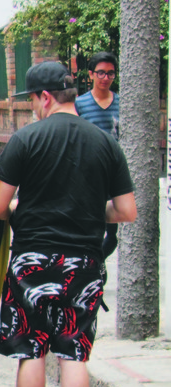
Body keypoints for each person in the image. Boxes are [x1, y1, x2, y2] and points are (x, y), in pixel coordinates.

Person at [0, 61, 136, 387]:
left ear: (45, 97)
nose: (33, 107)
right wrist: (90, 213)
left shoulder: (26, 138)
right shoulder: (105, 143)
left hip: (32, 259)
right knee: (74, 353)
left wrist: (25, 208)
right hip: (84, 263)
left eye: (33, 99)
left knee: (30, 350)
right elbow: (127, 210)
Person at [75, 52, 120, 258]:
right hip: (87, 176)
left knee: (111, 236)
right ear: (91, 74)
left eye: (110, 74)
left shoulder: (121, 103)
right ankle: (92, 268)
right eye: (101, 73)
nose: (105, 78)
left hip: (114, 175)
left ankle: (96, 263)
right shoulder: (80, 104)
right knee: (89, 229)